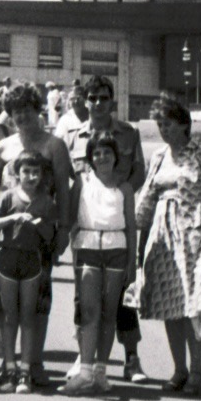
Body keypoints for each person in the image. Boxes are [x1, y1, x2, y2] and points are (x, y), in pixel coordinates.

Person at [135, 94, 201, 396]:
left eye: (168, 124)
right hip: (163, 235)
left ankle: (196, 370)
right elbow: (147, 197)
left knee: (193, 303)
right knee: (169, 303)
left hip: (193, 232)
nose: (164, 130)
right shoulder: (158, 156)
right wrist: (140, 233)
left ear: (184, 124)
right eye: (160, 124)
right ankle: (179, 369)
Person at [65, 75, 147, 382]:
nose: (98, 103)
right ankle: (83, 355)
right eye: (93, 98)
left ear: (112, 101)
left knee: (121, 299)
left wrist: (121, 188)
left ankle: (131, 358)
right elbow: (71, 181)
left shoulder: (128, 133)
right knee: (83, 298)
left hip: (116, 222)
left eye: (103, 98)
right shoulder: (74, 135)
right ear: (85, 102)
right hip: (88, 228)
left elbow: (139, 170)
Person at [0, 83, 73, 386]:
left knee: (38, 300)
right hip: (8, 235)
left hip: (41, 234)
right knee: (7, 304)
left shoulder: (54, 145)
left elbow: (64, 192)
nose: (22, 116)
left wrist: (63, 230)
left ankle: (34, 361)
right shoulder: (4, 147)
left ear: (37, 110)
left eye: (27, 110)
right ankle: (10, 364)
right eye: (16, 112)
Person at [60, 131, 136, 396]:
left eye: (107, 151)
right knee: (90, 313)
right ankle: (85, 372)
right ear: (90, 157)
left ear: (115, 156)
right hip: (88, 248)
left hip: (117, 251)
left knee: (109, 315)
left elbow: (131, 227)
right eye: (97, 152)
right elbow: (71, 219)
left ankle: (101, 373)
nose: (102, 157)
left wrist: (132, 264)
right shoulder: (81, 182)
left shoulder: (124, 188)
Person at [0, 149, 59, 393]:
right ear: (17, 173)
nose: (31, 176)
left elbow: (51, 234)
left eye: (35, 172)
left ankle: (25, 371)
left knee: (28, 317)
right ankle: (9, 369)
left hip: (32, 262)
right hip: (7, 259)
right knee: (9, 317)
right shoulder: (8, 197)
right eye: (26, 171)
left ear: (42, 175)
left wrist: (37, 224)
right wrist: (15, 218)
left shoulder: (47, 201)